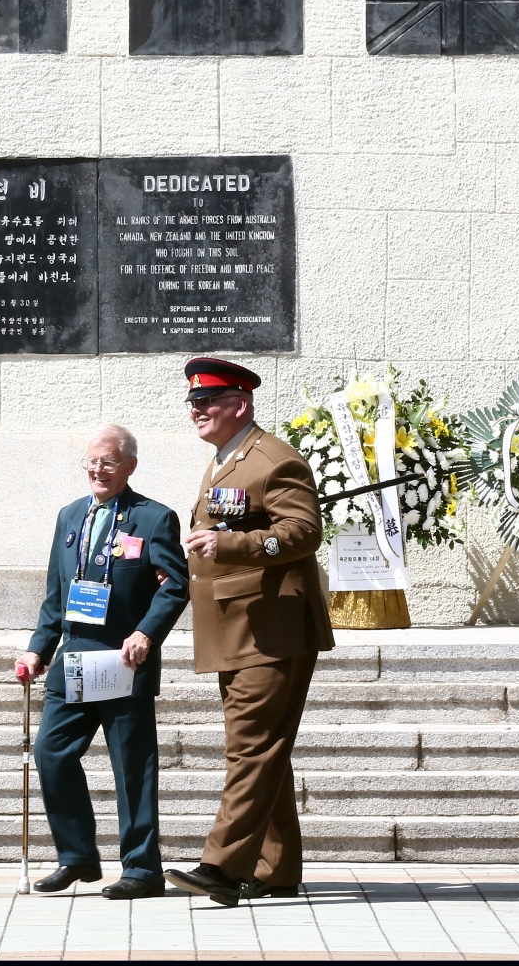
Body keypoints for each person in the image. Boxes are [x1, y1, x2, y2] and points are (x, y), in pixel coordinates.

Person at [164, 358, 335, 908]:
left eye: (208, 402)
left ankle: (221, 866)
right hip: (239, 627)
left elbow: (304, 530)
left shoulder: (272, 459)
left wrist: (232, 545)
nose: (197, 411)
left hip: (272, 628)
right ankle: (277, 868)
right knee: (265, 749)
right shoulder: (224, 461)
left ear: (240, 404)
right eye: (192, 402)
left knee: (251, 748)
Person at [15, 423, 189, 900]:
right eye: (92, 461)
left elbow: (175, 585)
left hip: (123, 661)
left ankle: (142, 870)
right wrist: (37, 648)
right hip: (74, 660)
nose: (98, 469)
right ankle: (76, 857)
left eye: (108, 461)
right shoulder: (70, 517)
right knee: (51, 754)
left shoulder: (154, 518)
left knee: (131, 767)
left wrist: (146, 633)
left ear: (129, 466)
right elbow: (56, 595)